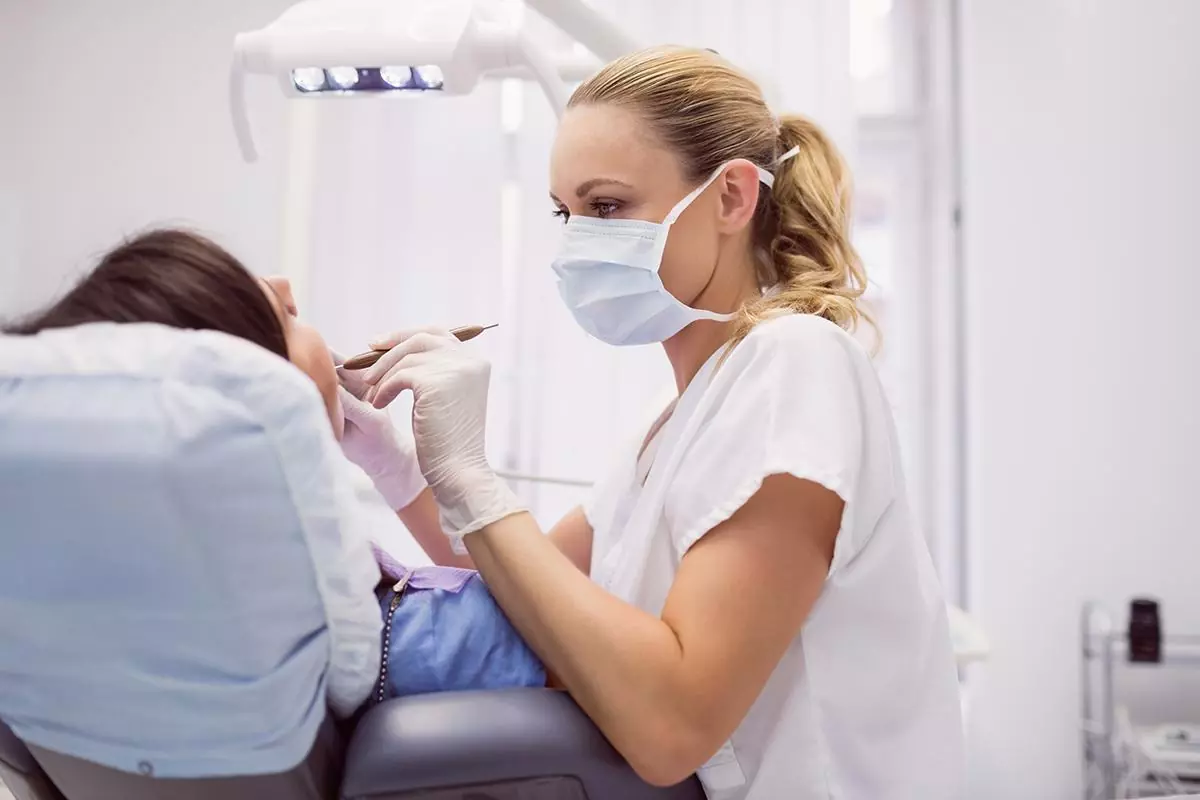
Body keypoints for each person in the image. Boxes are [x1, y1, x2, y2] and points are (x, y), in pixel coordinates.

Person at [347, 46, 966, 799]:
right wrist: (401, 464)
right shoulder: (679, 414)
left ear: (733, 198)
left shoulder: (795, 363)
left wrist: (471, 474)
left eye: (606, 207)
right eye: (564, 212)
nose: (576, 243)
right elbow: (529, 589)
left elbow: (671, 725)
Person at [1, 230, 546, 728]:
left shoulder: (85, 641)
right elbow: (574, 637)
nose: (282, 284)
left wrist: (398, 475)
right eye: (284, 321)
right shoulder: (425, 638)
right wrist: (460, 479)